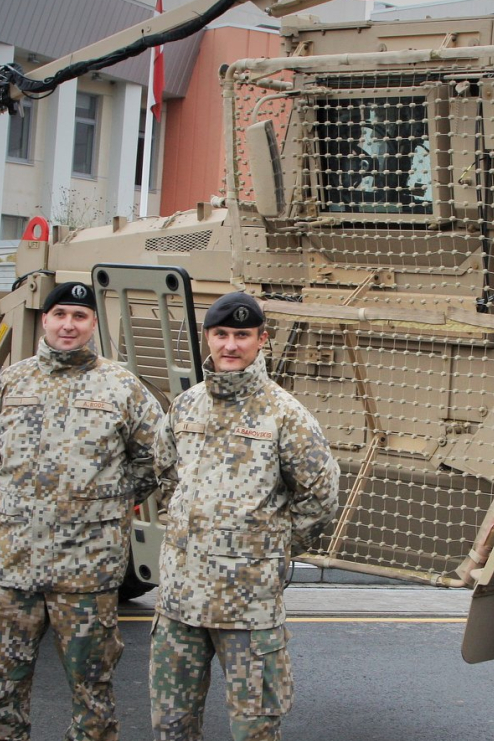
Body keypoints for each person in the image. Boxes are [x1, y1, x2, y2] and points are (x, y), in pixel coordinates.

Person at [0, 281, 165, 741]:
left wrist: (108, 500)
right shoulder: (13, 381)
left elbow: (154, 458)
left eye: (79, 316)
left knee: (92, 691)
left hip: (86, 570)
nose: (68, 325)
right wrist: (24, 500)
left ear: (93, 323)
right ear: (45, 320)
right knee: (0, 689)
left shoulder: (121, 386)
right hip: (14, 565)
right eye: (60, 315)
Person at [151, 292, 341, 741]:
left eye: (242, 335)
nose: (231, 345)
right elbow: (165, 475)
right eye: (221, 335)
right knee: (172, 725)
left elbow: (321, 495)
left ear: (262, 339)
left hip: (248, 605)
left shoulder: (284, 414)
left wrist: (271, 547)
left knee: (254, 728)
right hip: (180, 600)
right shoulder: (185, 406)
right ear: (207, 338)